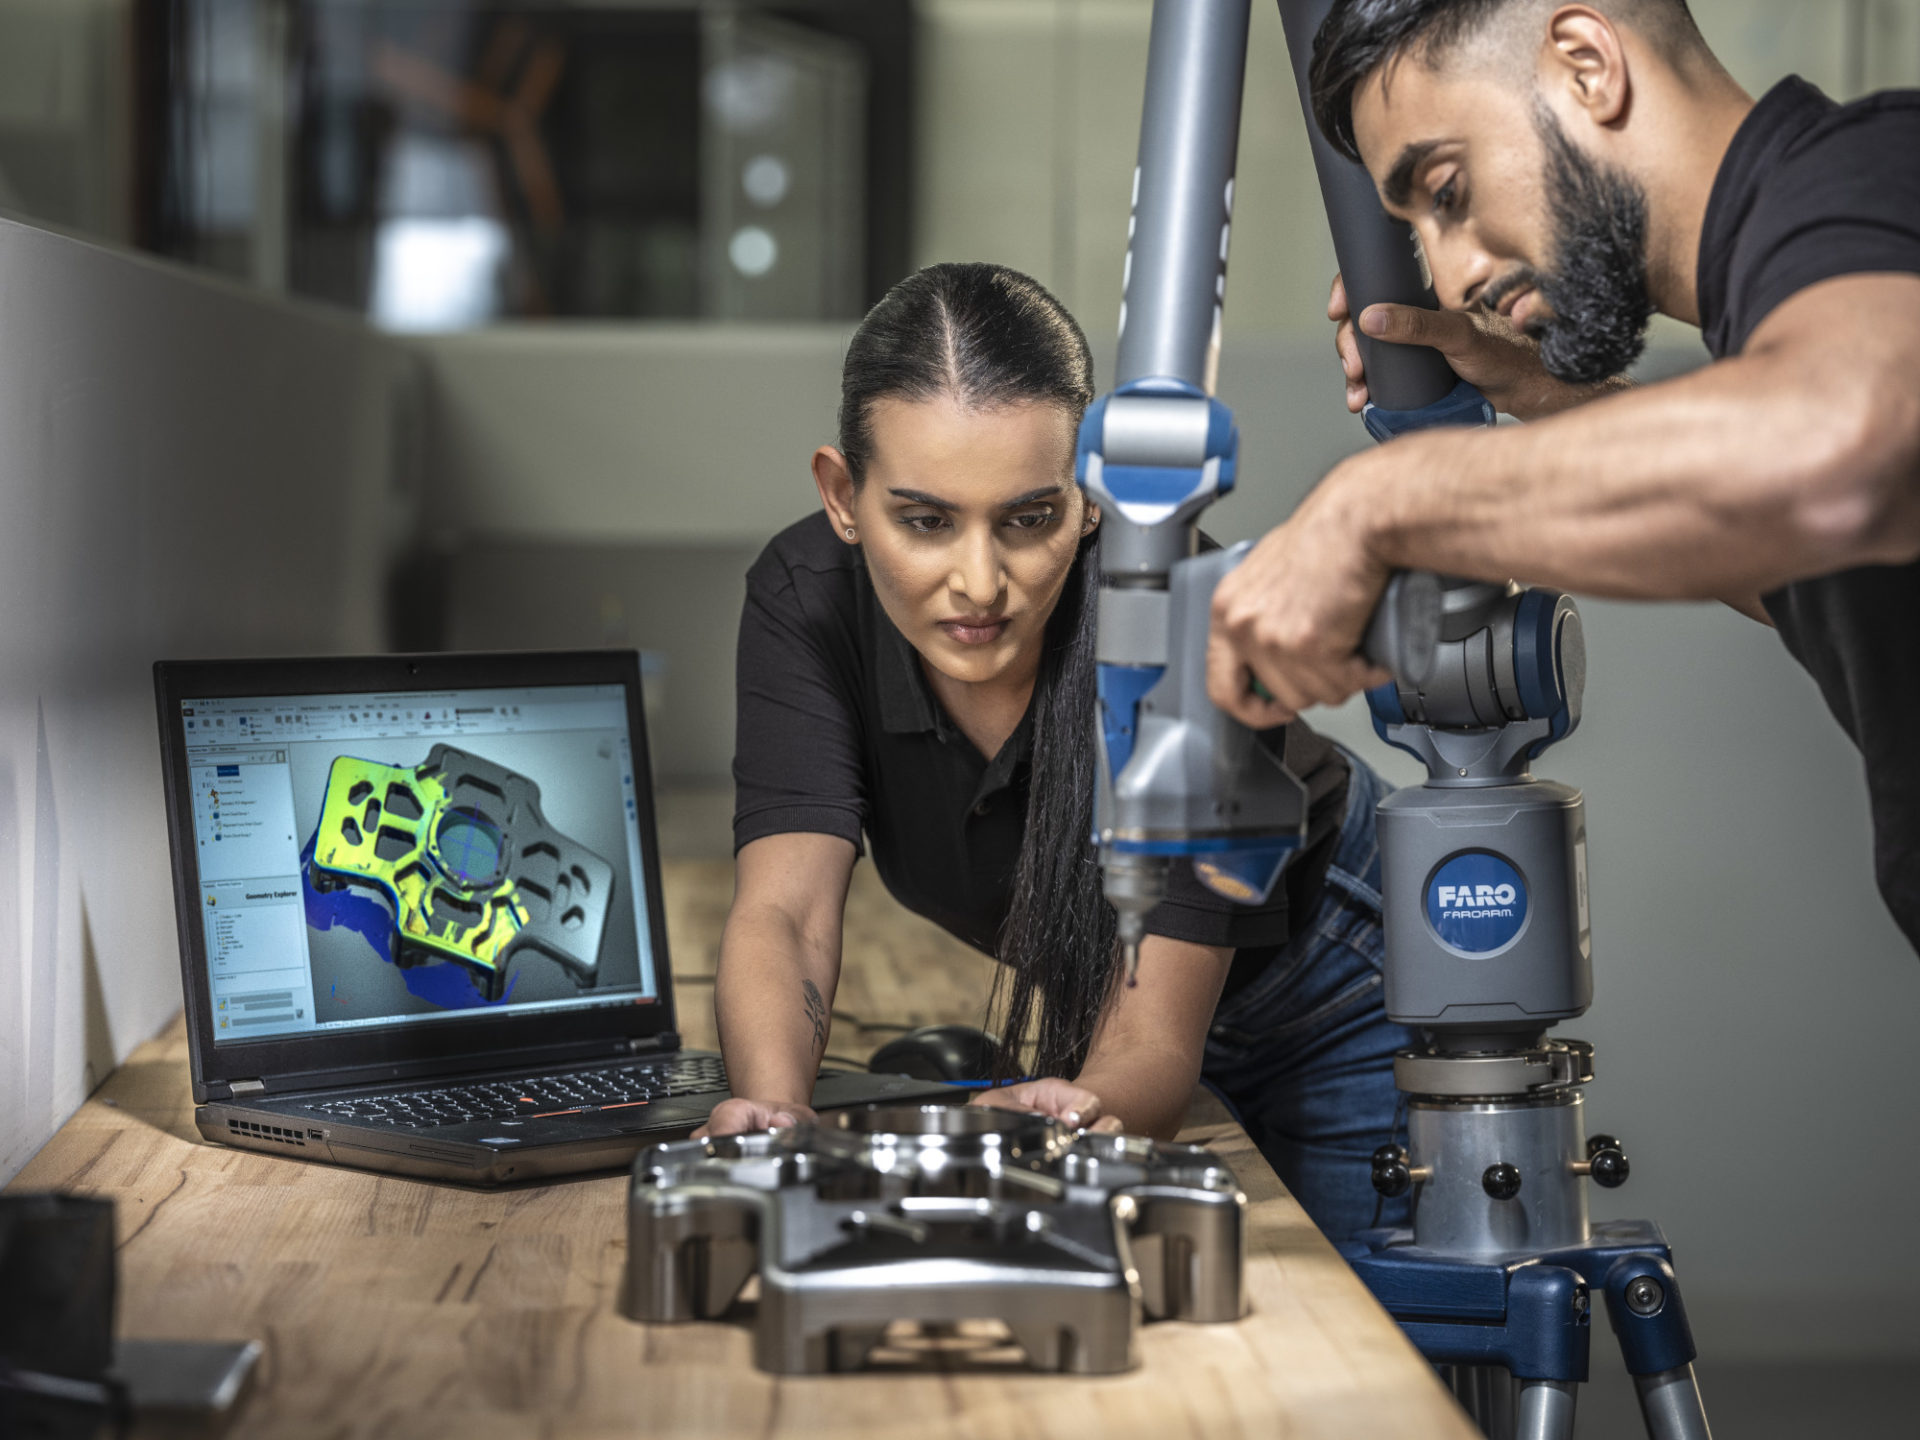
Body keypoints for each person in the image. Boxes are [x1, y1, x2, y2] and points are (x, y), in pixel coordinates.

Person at [698, 262, 1413, 1240]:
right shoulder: (807, 598)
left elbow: (1153, 1041)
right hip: (1115, 1008)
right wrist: (778, 1124)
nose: (979, 582)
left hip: (1331, 984)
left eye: (1029, 518)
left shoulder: (1173, 627)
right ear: (842, 497)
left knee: (1357, 1347)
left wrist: (1047, 1126)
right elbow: (785, 911)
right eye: (924, 519)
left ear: (1090, 501)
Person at [1207, 0, 1920, 952]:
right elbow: (1797, 565)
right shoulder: (1785, 292)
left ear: (1587, 64)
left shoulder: (1873, 179)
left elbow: (1846, 454)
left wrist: (1378, 505)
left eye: (1447, 191)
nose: (1451, 274)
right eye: (1419, 228)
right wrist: (1543, 393)